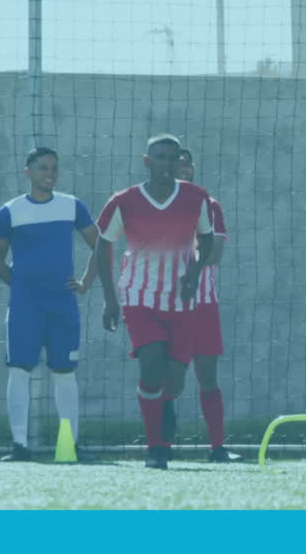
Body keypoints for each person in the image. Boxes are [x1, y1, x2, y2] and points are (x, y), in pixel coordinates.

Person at [91, 134, 214, 469]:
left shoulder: (197, 197)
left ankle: (164, 404)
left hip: (181, 301)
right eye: (160, 157)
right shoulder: (123, 201)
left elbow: (206, 239)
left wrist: (195, 270)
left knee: (174, 380)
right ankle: (156, 447)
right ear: (147, 162)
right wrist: (110, 299)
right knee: (151, 364)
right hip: (139, 297)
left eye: (173, 158)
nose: (167, 164)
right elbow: (103, 245)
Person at [0, 147, 100, 462]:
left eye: (53, 168)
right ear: (28, 172)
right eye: (42, 168)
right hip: (25, 307)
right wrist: (24, 286)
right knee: (19, 369)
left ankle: (69, 447)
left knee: (65, 372)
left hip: (63, 305)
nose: (49, 174)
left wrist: (86, 281)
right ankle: (20, 446)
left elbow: (100, 245)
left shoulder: (72, 206)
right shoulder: (9, 212)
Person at [162, 148, 243, 462]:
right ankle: (161, 442)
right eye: (176, 163)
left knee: (208, 375)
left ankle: (217, 447)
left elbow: (214, 253)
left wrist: (184, 262)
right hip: (165, 304)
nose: (183, 168)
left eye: (187, 163)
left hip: (203, 304)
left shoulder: (209, 205)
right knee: (170, 379)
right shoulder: (153, 204)